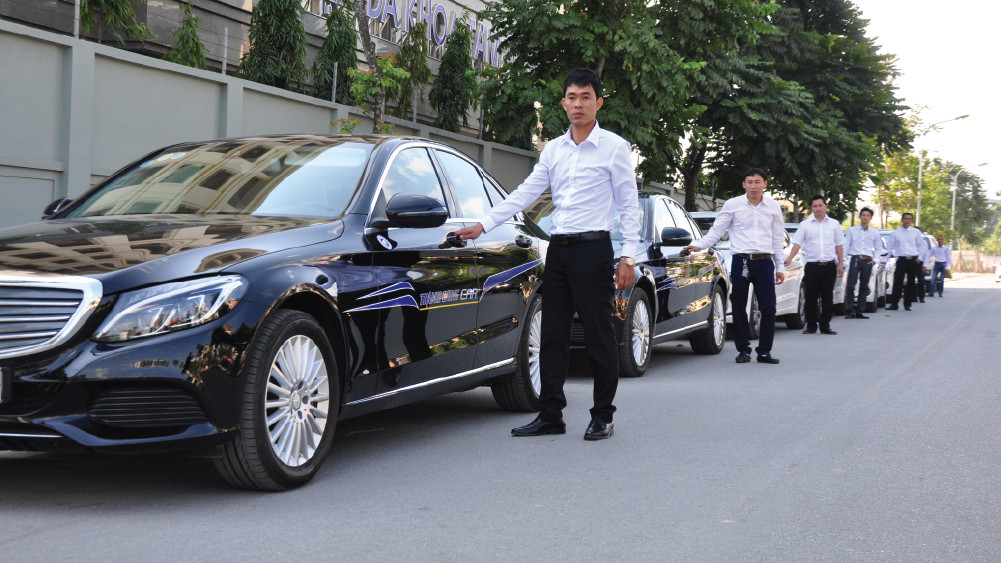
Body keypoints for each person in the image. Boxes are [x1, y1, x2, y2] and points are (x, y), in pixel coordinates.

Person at [454, 68, 640, 441]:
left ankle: (602, 415)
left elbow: (629, 205)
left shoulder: (615, 148)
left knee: (599, 336)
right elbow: (526, 192)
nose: (578, 104)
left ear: (599, 103)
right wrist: (483, 224)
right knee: (552, 334)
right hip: (558, 251)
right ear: (563, 102)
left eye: (586, 97)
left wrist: (628, 257)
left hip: (593, 250)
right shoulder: (554, 149)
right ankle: (551, 414)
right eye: (572, 97)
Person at [684, 168, 786, 365]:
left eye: (757, 182)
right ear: (744, 184)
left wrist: (780, 266)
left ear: (765, 184)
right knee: (738, 306)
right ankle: (743, 350)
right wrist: (700, 245)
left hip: (765, 263)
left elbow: (776, 239)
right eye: (749, 182)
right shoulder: (733, 205)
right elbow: (717, 230)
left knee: (769, 307)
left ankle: (764, 351)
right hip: (741, 261)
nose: (753, 186)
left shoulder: (773, 207)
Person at [785, 195, 845, 335]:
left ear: (825, 207)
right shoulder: (805, 225)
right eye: (815, 206)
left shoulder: (834, 224)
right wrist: (790, 258)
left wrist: (841, 263)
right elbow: (797, 243)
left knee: (827, 296)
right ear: (811, 208)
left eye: (820, 205)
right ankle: (811, 325)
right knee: (811, 296)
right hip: (812, 266)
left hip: (829, 266)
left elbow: (839, 245)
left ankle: (825, 325)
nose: (818, 208)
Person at [843, 207, 881, 319]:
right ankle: (850, 310)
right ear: (860, 216)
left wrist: (875, 260)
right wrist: (843, 260)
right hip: (855, 259)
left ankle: (860, 310)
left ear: (870, 218)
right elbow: (846, 245)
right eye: (863, 215)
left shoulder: (874, 232)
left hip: (867, 260)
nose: (865, 217)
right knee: (851, 284)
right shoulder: (852, 230)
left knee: (864, 286)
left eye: (867, 215)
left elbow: (878, 248)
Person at [885, 212, 925, 311]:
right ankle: (894, 303)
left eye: (909, 219)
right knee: (898, 282)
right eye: (905, 218)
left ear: (911, 221)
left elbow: (921, 245)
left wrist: (920, 257)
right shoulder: (896, 233)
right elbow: (889, 247)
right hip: (901, 260)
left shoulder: (915, 232)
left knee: (911, 283)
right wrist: (885, 259)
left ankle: (908, 304)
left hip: (913, 260)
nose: (907, 220)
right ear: (902, 220)